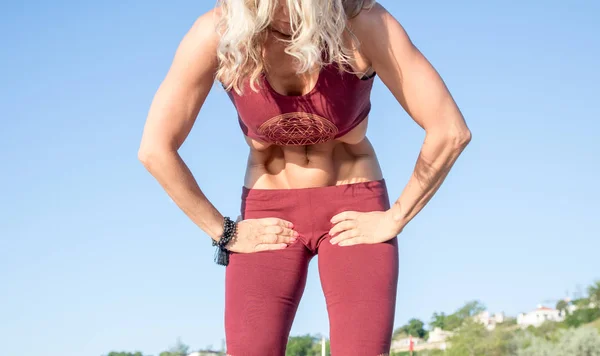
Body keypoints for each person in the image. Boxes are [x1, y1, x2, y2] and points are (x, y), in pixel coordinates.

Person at [138, 0, 471, 355]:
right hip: (267, 217)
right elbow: (155, 149)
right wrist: (224, 230)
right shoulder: (216, 32)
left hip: (353, 209)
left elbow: (450, 130)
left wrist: (396, 217)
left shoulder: (362, 23)